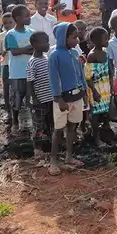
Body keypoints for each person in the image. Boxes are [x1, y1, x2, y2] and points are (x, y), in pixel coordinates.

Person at [48, 22, 87, 175]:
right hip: (62, 99)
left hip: (77, 96)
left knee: (72, 127)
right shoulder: (55, 56)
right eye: (73, 37)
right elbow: (53, 78)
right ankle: (53, 161)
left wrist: (84, 91)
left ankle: (69, 156)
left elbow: (80, 74)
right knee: (58, 130)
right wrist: (58, 97)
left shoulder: (75, 53)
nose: (77, 41)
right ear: (62, 37)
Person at [5, 5, 34, 134]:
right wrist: (28, 49)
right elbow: (14, 51)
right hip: (17, 73)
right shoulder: (11, 34)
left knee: (30, 97)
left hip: (30, 71)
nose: (29, 17)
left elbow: (34, 49)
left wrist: (26, 50)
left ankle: (29, 122)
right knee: (16, 98)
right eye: (26, 15)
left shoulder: (31, 32)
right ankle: (15, 121)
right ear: (18, 18)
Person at [26, 32, 54, 159]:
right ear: (35, 45)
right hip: (39, 100)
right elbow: (30, 82)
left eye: (48, 41)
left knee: (50, 123)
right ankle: (37, 149)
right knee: (38, 125)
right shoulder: (32, 62)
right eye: (45, 41)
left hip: (50, 98)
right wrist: (34, 98)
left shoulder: (46, 59)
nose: (48, 44)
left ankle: (49, 145)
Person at [85, 27, 113, 147]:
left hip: (106, 87)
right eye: (105, 38)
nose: (108, 40)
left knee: (105, 113)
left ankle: (106, 136)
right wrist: (95, 91)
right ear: (96, 41)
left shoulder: (106, 52)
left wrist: (112, 86)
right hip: (96, 89)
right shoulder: (92, 56)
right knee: (95, 114)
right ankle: (96, 138)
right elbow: (88, 77)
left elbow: (110, 71)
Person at [0, 12, 15, 124]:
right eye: (5, 23)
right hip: (6, 64)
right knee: (6, 89)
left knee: (17, 89)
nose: (8, 25)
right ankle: (8, 112)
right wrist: (2, 52)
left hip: (16, 65)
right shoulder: (1, 36)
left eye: (10, 22)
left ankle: (17, 111)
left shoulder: (17, 34)